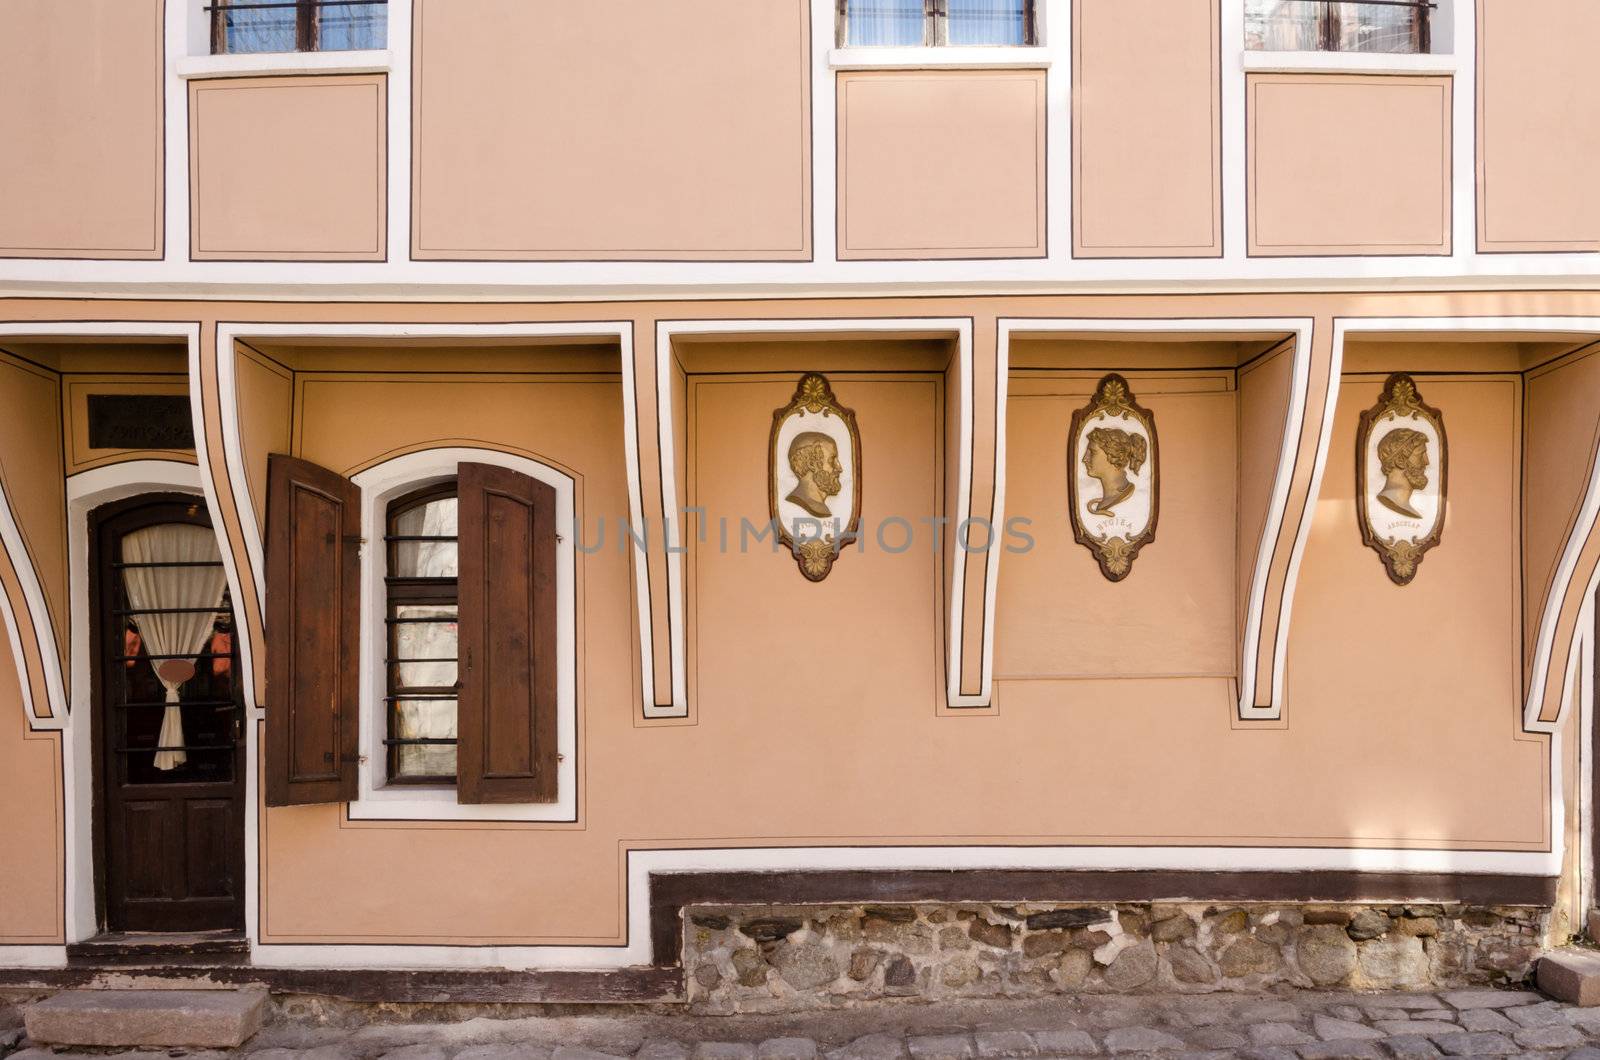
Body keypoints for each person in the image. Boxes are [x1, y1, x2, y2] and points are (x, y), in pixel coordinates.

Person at [1082, 426, 1147, 515]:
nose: (1085, 459)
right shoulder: (1107, 499)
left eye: (1092, 452)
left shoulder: (1133, 498)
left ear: (1114, 455)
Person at [1374, 427, 1429, 520]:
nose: (1427, 462)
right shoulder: (1389, 500)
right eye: (1421, 454)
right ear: (1400, 460)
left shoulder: (1408, 508)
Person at [785, 431, 844, 519]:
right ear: (812, 463)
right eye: (832, 460)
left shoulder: (821, 507)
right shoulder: (798, 503)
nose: (839, 468)